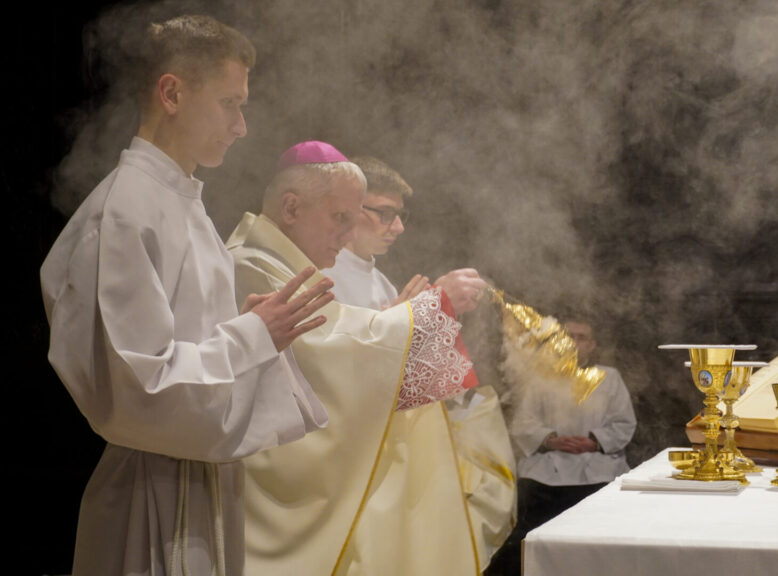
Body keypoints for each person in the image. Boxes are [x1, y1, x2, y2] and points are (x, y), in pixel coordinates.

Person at [40, 15, 334, 576]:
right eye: (229, 103)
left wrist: (243, 327)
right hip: (153, 491)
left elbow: (181, 340)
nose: (241, 126)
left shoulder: (178, 199)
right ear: (172, 93)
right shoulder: (126, 210)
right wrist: (249, 338)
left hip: (196, 479)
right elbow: (138, 386)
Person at [227, 141, 491, 576]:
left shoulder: (299, 267)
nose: (349, 235)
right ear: (291, 208)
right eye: (340, 219)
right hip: (280, 483)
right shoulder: (251, 266)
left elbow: (349, 348)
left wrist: (409, 321)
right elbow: (325, 359)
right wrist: (425, 311)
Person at [322, 156, 517, 570]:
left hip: (389, 447)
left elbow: (409, 383)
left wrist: (429, 318)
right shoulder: (325, 275)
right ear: (348, 208)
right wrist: (417, 313)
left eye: (400, 215)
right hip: (347, 464)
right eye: (385, 213)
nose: (398, 227)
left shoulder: (379, 279)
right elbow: (335, 370)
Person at [492, 316, 637, 575]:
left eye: (582, 338)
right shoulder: (539, 378)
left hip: (597, 469)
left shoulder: (609, 377)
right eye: (569, 336)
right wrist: (549, 439)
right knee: (526, 535)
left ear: (592, 345)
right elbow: (523, 422)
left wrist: (594, 441)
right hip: (548, 471)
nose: (574, 343)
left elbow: (624, 422)